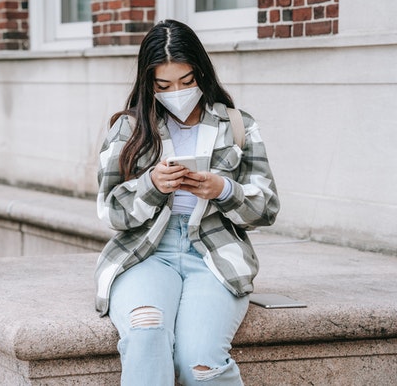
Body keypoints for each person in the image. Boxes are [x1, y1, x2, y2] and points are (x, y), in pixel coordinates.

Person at [94, 19, 280, 385]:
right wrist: (151, 185)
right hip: (145, 253)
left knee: (201, 364)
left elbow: (267, 207)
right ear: (149, 84)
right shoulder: (128, 129)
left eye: (187, 81)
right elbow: (110, 211)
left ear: (202, 73)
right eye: (163, 85)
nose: (176, 91)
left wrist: (223, 190)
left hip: (214, 254)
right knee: (146, 332)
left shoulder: (237, 125)